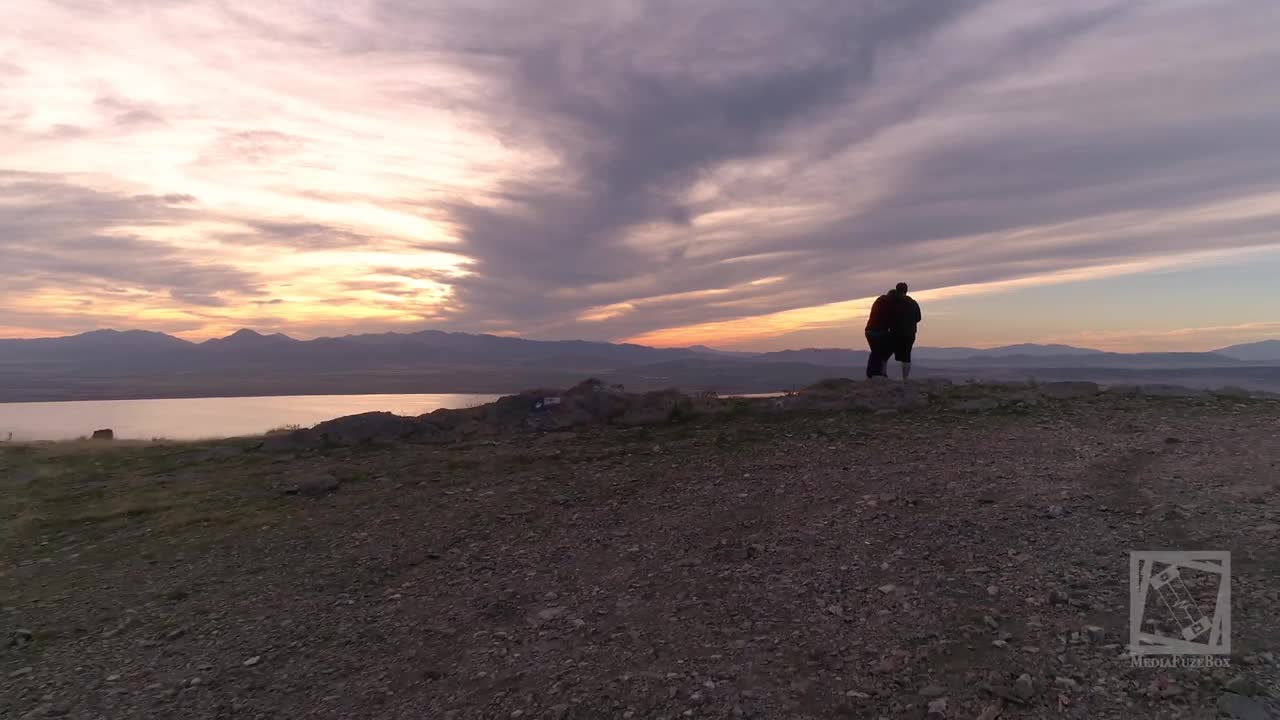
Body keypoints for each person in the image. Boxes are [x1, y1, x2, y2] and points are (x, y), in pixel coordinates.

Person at [889, 282, 922, 380]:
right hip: (910, 333)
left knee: (887, 352)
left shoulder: (892, 301)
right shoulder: (913, 302)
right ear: (906, 290)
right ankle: (905, 378)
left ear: (896, 289)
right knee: (907, 355)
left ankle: (882, 374)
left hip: (896, 332)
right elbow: (918, 318)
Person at [864, 289, 897, 378]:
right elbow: (891, 319)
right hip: (879, 331)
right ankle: (877, 373)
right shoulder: (889, 303)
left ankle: (874, 373)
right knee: (885, 350)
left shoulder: (879, 301)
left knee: (876, 352)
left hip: (869, 331)